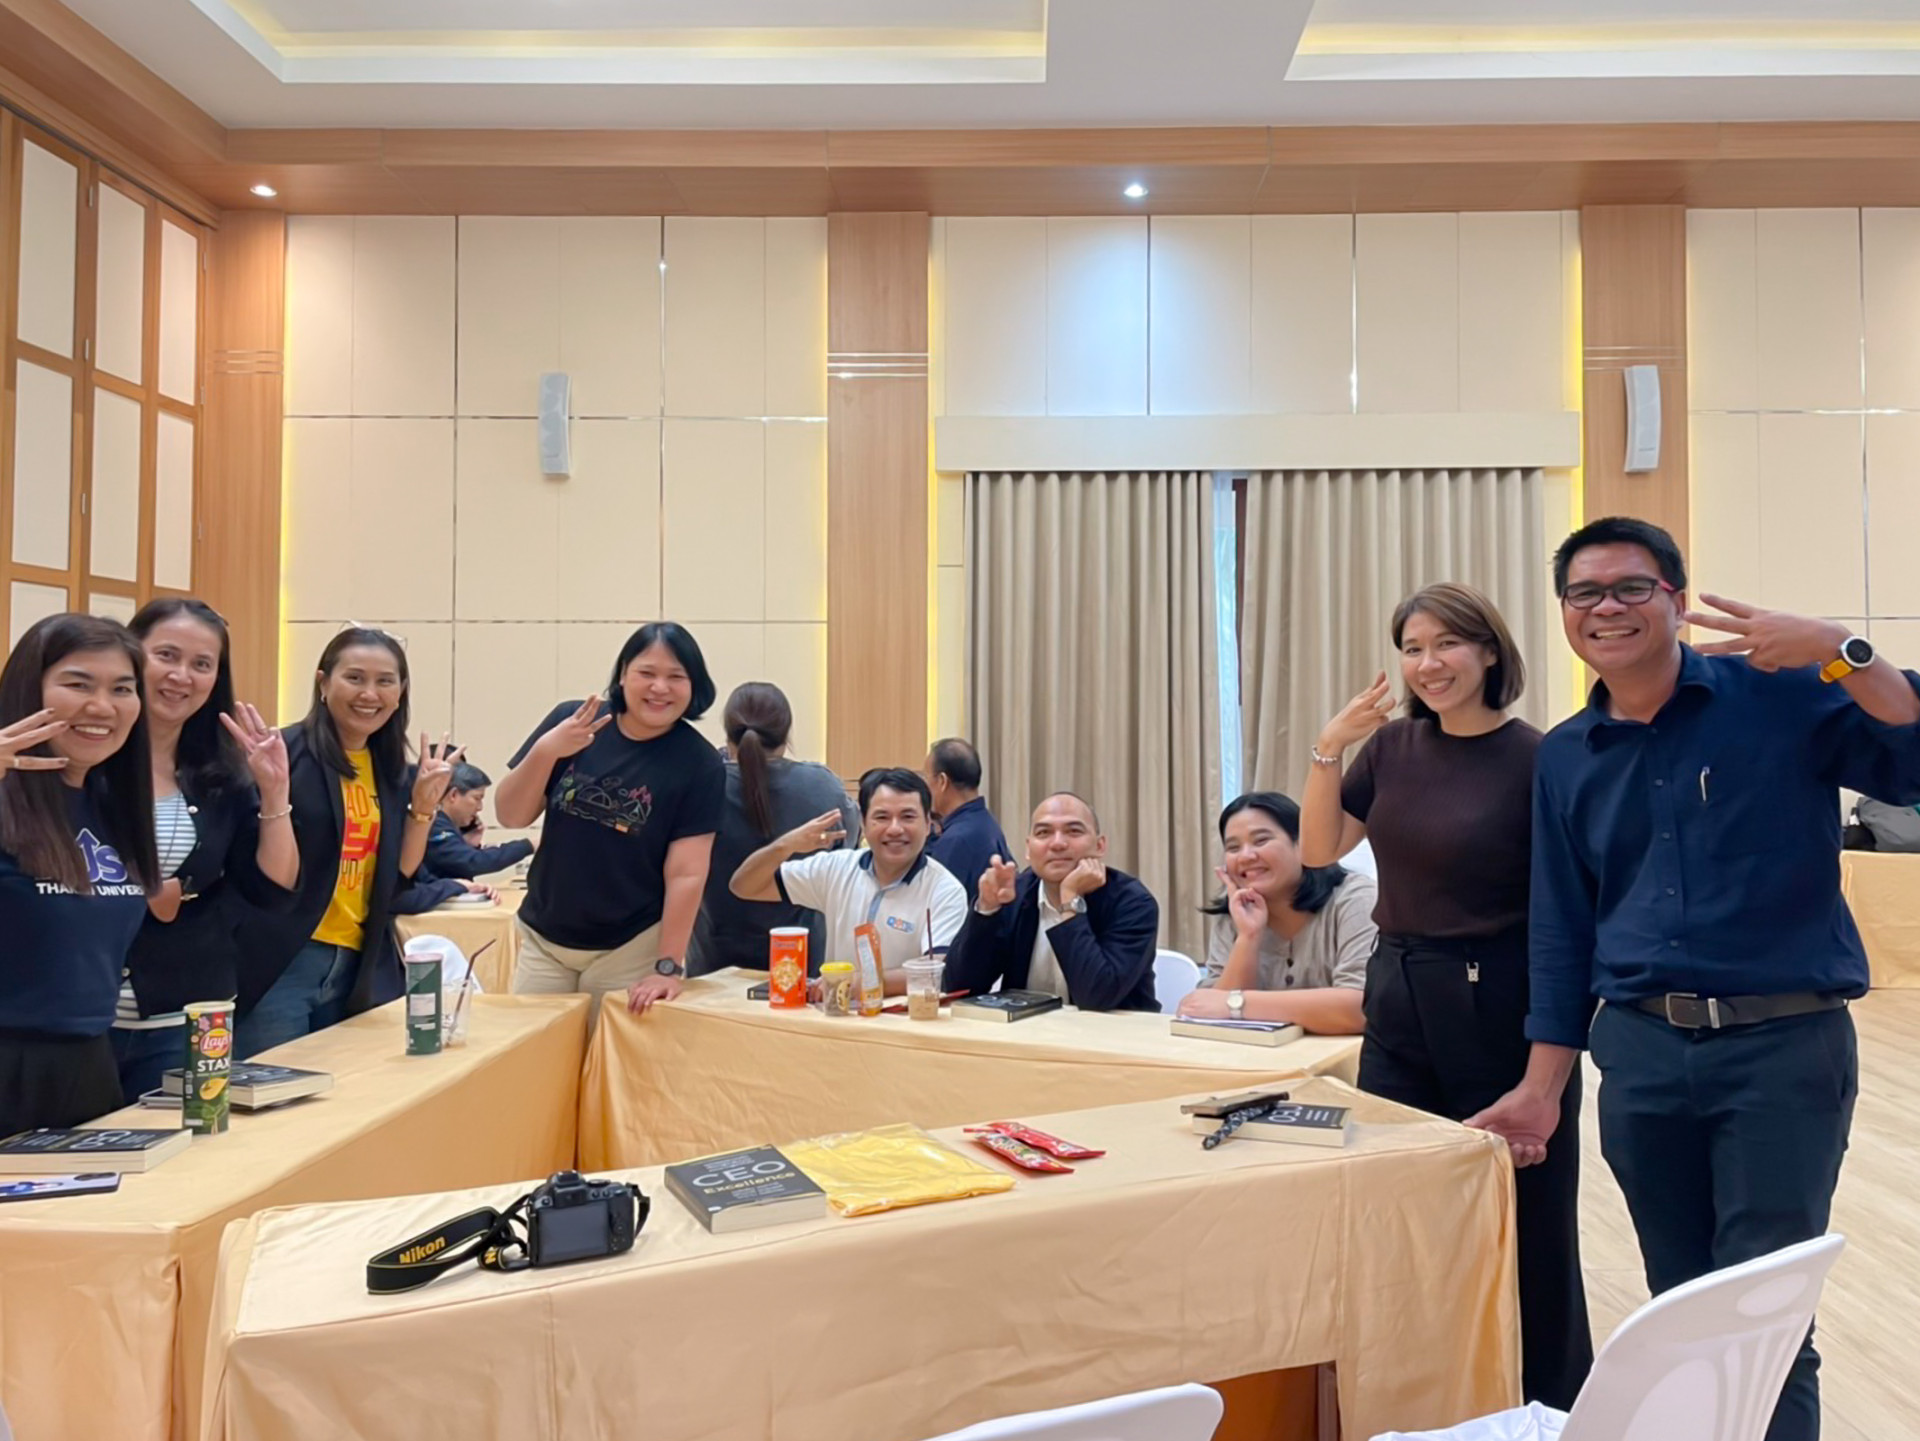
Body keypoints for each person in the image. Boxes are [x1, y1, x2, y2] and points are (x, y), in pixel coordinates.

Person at [1469, 517, 1920, 1441]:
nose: (1607, 607)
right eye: (1585, 592)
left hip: (1782, 1047)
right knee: (1679, 1314)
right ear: (1565, 613)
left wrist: (1842, 648)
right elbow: (1562, 929)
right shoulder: (1566, 753)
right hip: (1640, 1053)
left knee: (1762, 1321)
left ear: (1676, 600)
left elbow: (1911, 762)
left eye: (1631, 587)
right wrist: (1541, 1088)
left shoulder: (1783, 694)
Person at [1296, 582, 1590, 1408]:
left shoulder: (1538, 757)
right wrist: (1330, 745)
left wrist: (1549, 1067)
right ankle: (1427, 1397)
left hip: (1501, 998)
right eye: (1413, 648)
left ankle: (1551, 1405)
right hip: (1398, 989)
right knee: (1402, 1206)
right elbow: (1319, 848)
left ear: (1489, 651)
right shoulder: (1392, 748)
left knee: (1523, 1215)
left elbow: (1566, 909)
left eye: (1447, 644)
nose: (1428, 664)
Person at [233, 628, 458, 1057]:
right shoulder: (281, 754)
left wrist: (423, 808)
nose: (369, 694)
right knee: (273, 1090)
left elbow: (397, 877)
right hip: (283, 964)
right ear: (323, 683)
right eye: (354, 678)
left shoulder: (390, 768)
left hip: (357, 964)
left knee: (345, 1090)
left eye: (384, 681)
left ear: (400, 692)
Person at [113, 600, 299, 1101]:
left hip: (187, 1014)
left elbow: (272, 889)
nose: (181, 676)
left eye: (201, 664)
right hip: (79, 1021)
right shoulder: (87, 758)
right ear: (130, 655)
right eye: (166, 655)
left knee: (188, 1146)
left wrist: (274, 792)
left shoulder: (222, 772)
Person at [494, 622, 724, 1017]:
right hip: (544, 937)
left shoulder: (699, 763)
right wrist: (547, 750)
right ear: (622, 675)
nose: (660, 688)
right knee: (533, 1048)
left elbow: (687, 872)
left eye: (676, 676)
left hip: (629, 946)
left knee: (610, 1054)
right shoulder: (575, 720)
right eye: (646, 673)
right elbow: (511, 815)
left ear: (694, 685)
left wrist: (668, 967)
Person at [0, 615, 157, 1134]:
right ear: (29, 690)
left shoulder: (113, 805)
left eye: (122, 689)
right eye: (78, 684)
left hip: (88, 1065)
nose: (102, 707)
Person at [729, 766, 966, 991]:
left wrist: (856, 983)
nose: (895, 829)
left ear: (928, 824)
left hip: (903, 1017)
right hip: (836, 1012)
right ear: (863, 823)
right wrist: (786, 845)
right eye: (882, 817)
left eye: (908, 816)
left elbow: (936, 973)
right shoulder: (836, 868)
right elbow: (744, 886)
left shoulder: (944, 890)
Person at [689, 682, 855, 976]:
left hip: (713, 961)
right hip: (802, 962)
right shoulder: (822, 786)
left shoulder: (701, 785)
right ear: (786, 732)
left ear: (729, 732)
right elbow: (846, 851)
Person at [944, 792, 1160, 1011]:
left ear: (1100, 846)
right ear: (1028, 849)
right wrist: (987, 910)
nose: (1057, 844)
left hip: (1113, 1031)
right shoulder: (1013, 894)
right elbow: (959, 988)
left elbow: (1096, 997)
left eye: (1073, 831)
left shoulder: (1133, 903)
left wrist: (1070, 901)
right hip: (1027, 1029)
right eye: (1044, 833)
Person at [1184, 791, 1373, 1035]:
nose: (1246, 856)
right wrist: (1248, 937)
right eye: (1233, 847)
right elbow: (1210, 1014)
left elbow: (1360, 1008)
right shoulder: (1234, 912)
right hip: (1260, 1057)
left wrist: (1237, 1004)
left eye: (1261, 841)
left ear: (1302, 844)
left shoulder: (1356, 898)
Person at [924, 737, 1011, 907]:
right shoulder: (983, 821)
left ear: (942, 781)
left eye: (926, 778)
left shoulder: (956, 838)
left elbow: (935, 906)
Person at [422, 763, 534, 881]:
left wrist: (468, 845)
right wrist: (528, 845)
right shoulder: (435, 824)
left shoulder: (443, 824)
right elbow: (472, 862)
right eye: (477, 798)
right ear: (453, 795)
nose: (480, 807)